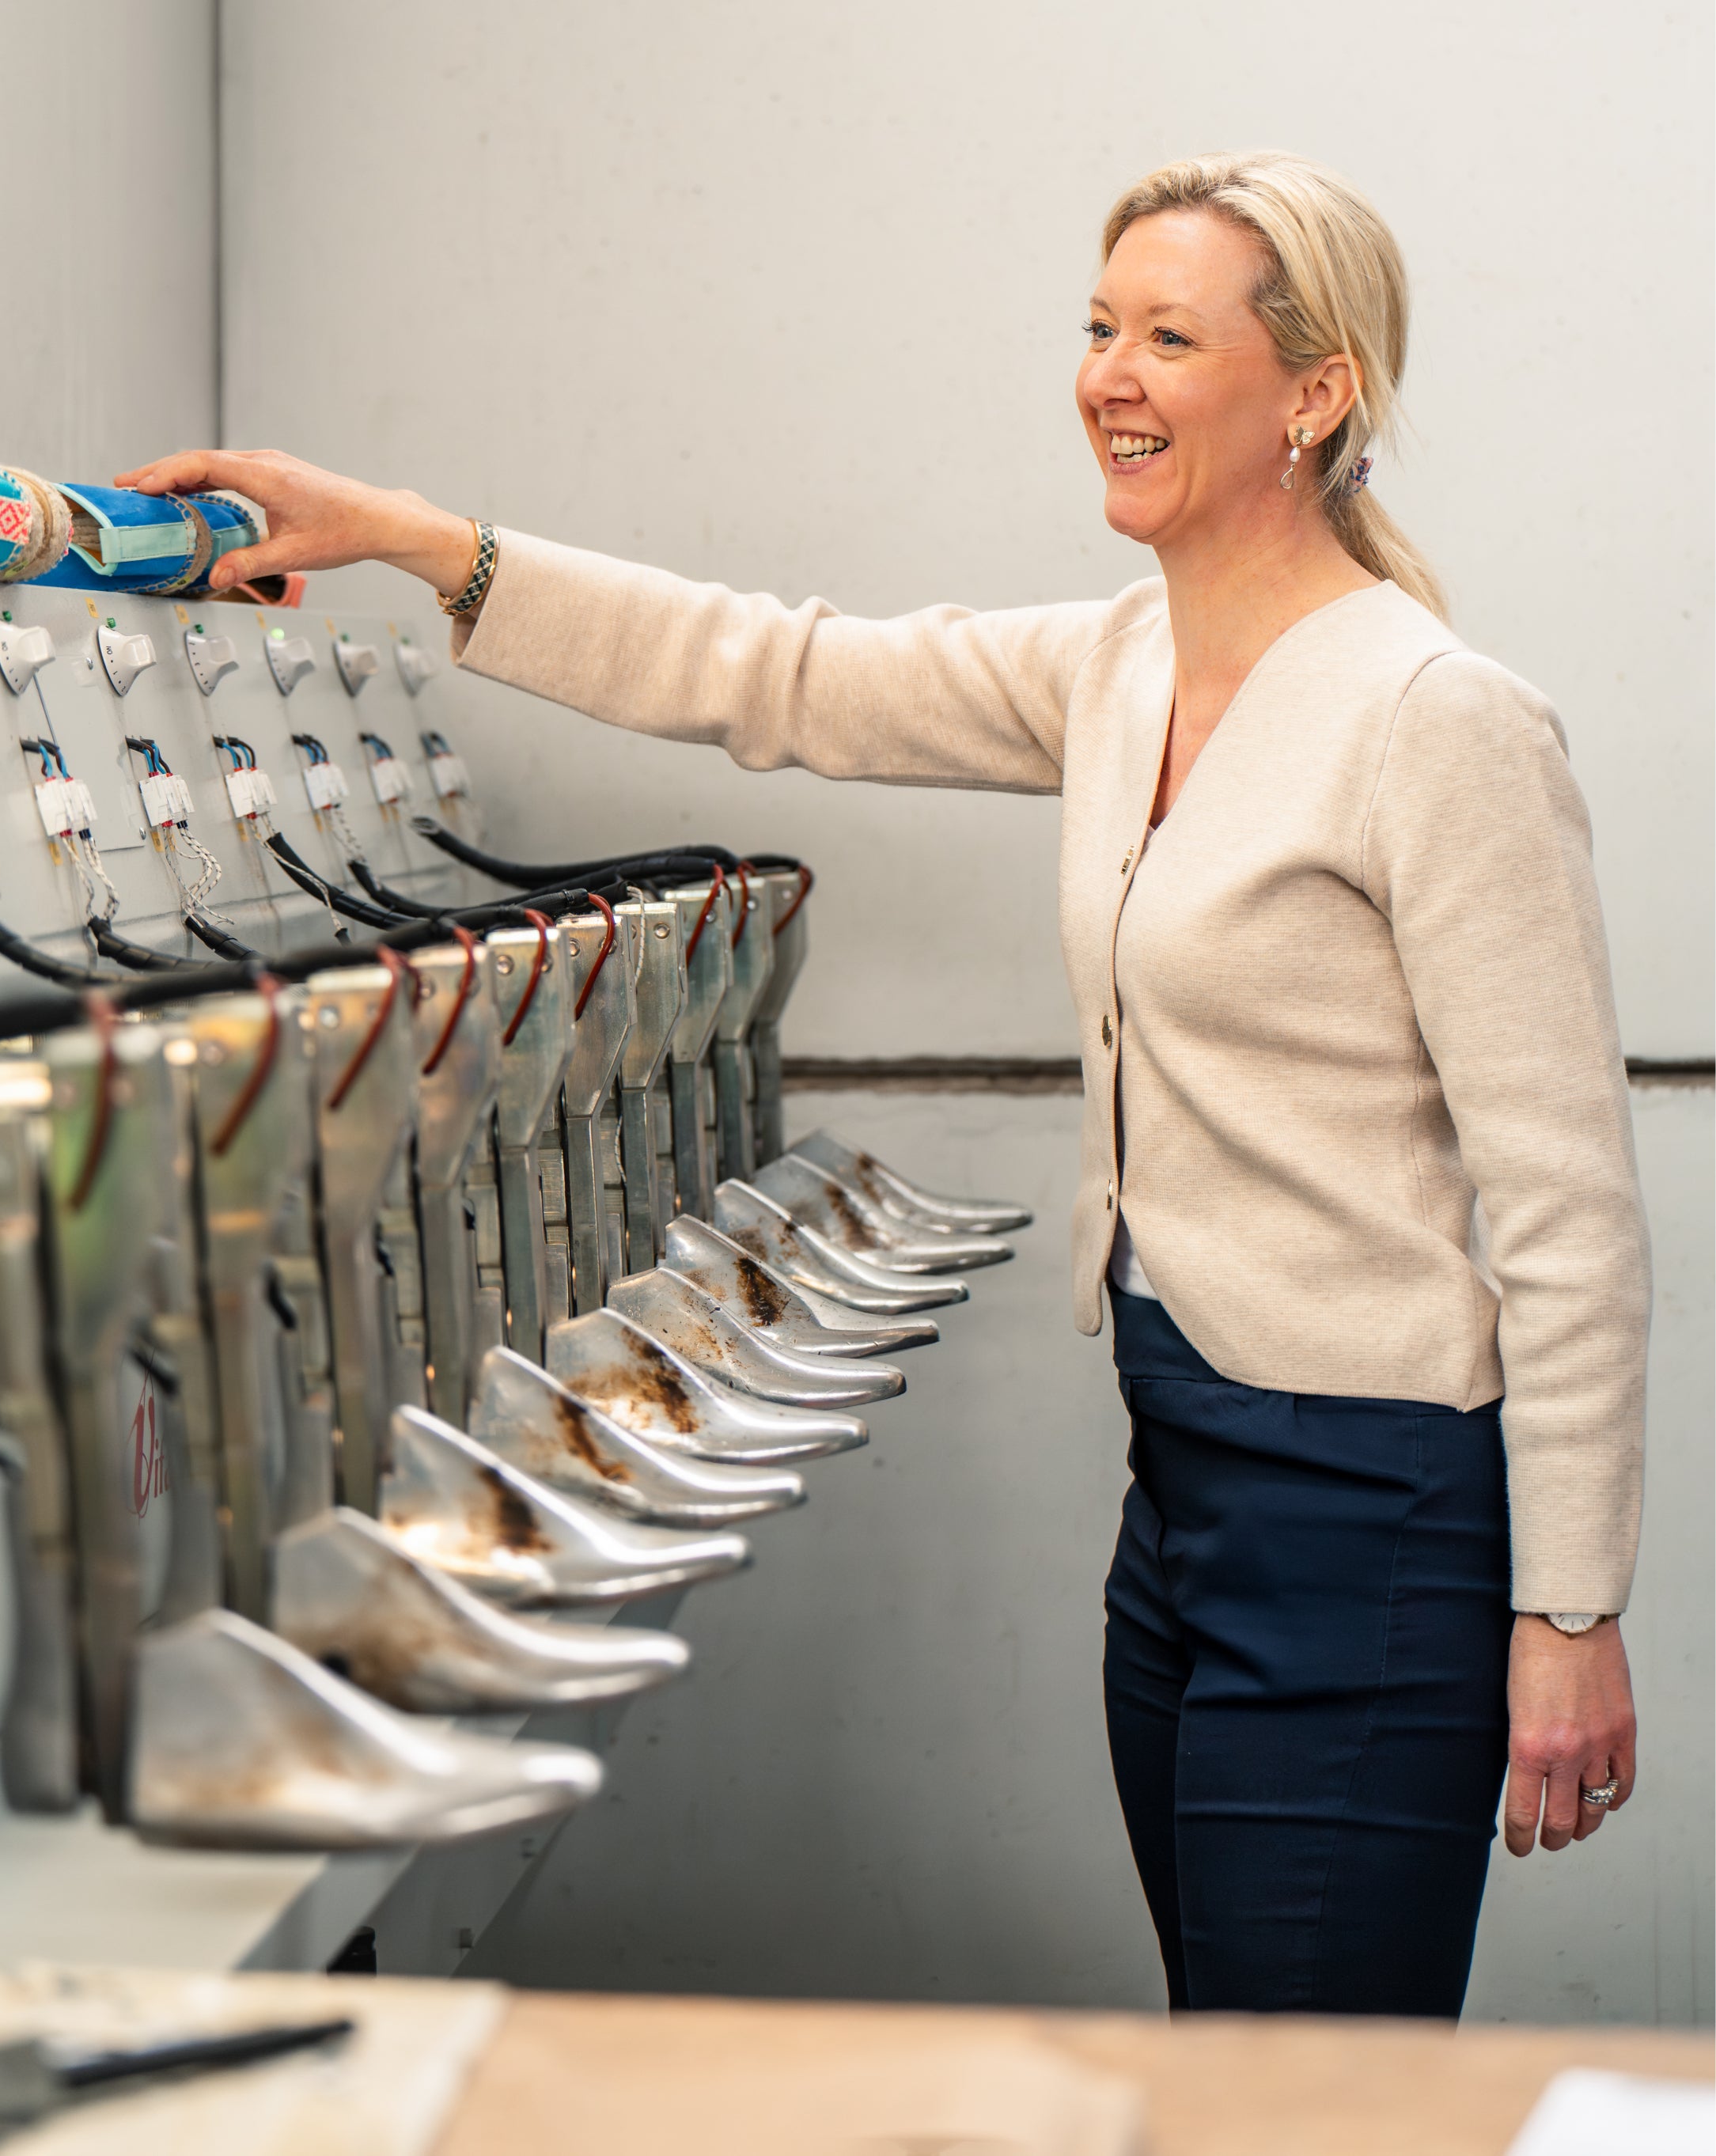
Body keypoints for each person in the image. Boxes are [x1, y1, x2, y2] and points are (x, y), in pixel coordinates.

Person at [119, 148, 1648, 2018]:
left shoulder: (1436, 720)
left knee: (1309, 2103)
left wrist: (1566, 1612)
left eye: (1168, 335)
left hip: (1367, 1507)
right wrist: (417, 538)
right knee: (1234, 2060)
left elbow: (1566, 1207)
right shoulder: (1120, 665)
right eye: (1097, 327)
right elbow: (782, 670)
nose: (1109, 373)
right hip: (1180, 1494)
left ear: (1311, 393)